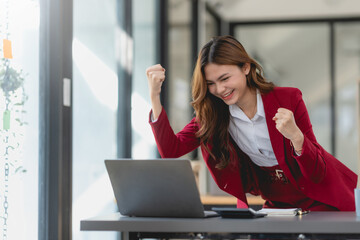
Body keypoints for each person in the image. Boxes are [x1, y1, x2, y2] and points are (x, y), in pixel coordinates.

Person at [146, 35, 357, 211]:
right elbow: (171, 150)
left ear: (246, 68)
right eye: (211, 83)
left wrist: (296, 137)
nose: (219, 89)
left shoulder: (289, 99)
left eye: (225, 78)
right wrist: (155, 96)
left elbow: (316, 172)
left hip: (322, 198)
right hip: (278, 204)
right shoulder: (213, 116)